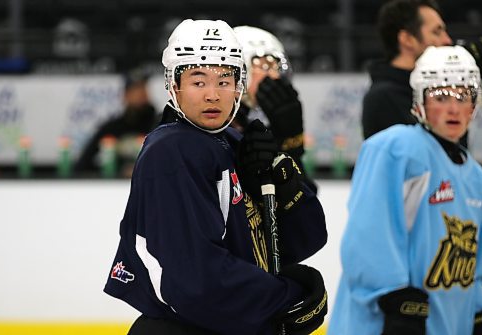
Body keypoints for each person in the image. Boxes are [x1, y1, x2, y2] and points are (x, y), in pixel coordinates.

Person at [104, 19, 328, 335]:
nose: (213, 95)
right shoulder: (172, 151)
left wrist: (284, 177)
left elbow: (303, 239)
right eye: (199, 81)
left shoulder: (231, 142)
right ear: (173, 85)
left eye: (224, 81)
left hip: (226, 321)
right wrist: (286, 298)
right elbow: (196, 280)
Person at [328, 45, 482, 335]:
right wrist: (395, 297)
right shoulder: (395, 148)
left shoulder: (476, 176)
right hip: (381, 323)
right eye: (440, 96)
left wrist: (477, 309)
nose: (453, 108)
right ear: (419, 101)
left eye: (463, 96)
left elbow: (473, 257)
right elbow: (369, 230)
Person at [232, 26, 317, 192]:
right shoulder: (220, 130)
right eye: (263, 65)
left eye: (276, 66)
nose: (274, 76)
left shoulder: (255, 125)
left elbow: (302, 196)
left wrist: (289, 141)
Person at [361, 0, 453, 141]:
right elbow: (439, 154)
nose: (447, 40)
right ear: (407, 39)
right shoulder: (384, 98)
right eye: (437, 32)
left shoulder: (432, 88)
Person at [74, 68, 161, 177]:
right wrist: (118, 173)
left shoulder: (159, 125)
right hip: (115, 189)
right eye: (135, 89)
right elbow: (83, 165)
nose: (141, 93)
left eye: (143, 88)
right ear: (125, 95)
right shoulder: (112, 128)